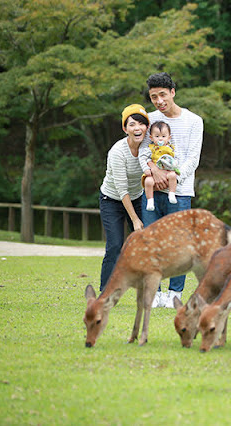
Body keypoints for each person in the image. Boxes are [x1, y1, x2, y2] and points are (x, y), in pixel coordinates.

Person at [139, 72, 204, 308]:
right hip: (151, 191)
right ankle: (154, 292)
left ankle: (174, 292)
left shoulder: (194, 121)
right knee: (151, 241)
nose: (159, 100)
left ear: (173, 92)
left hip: (181, 191)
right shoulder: (149, 119)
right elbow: (143, 154)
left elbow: (193, 158)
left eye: (162, 95)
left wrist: (173, 176)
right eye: (154, 96)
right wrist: (153, 173)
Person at [99, 104, 149, 292]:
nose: (137, 128)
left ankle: (150, 289)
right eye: (132, 124)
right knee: (115, 245)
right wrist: (135, 220)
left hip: (137, 197)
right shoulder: (117, 152)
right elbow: (122, 190)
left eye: (142, 124)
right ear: (125, 128)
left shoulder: (149, 146)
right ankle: (106, 291)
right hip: (111, 199)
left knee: (146, 242)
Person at [142, 121, 180, 211]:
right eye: (157, 136)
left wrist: (174, 164)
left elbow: (177, 158)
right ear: (151, 137)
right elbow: (144, 158)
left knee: (173, 176)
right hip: (153, 172)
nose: (160, 139)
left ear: (169, 137)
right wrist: (147, 168)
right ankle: (150, 201)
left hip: (167, 170)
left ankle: (171, 194)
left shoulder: (171, 148)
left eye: (163, 136)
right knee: (148, 182)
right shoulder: (150, 148)